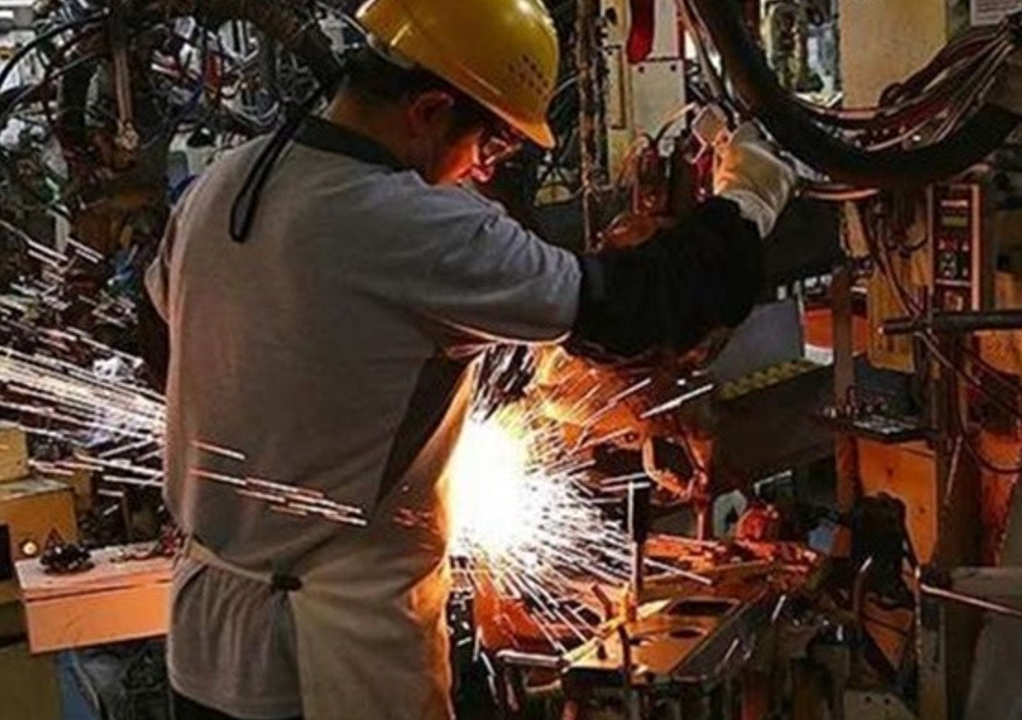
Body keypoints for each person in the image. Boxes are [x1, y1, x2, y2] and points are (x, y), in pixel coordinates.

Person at [144, 0, 797, 718]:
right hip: (332, 661)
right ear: (429, 110)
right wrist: (746, 204)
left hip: (203, 646)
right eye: (491, 146)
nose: (482, 171)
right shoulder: (410, 223)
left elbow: (186, 328)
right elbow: (630, 311)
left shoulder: (223, 184)